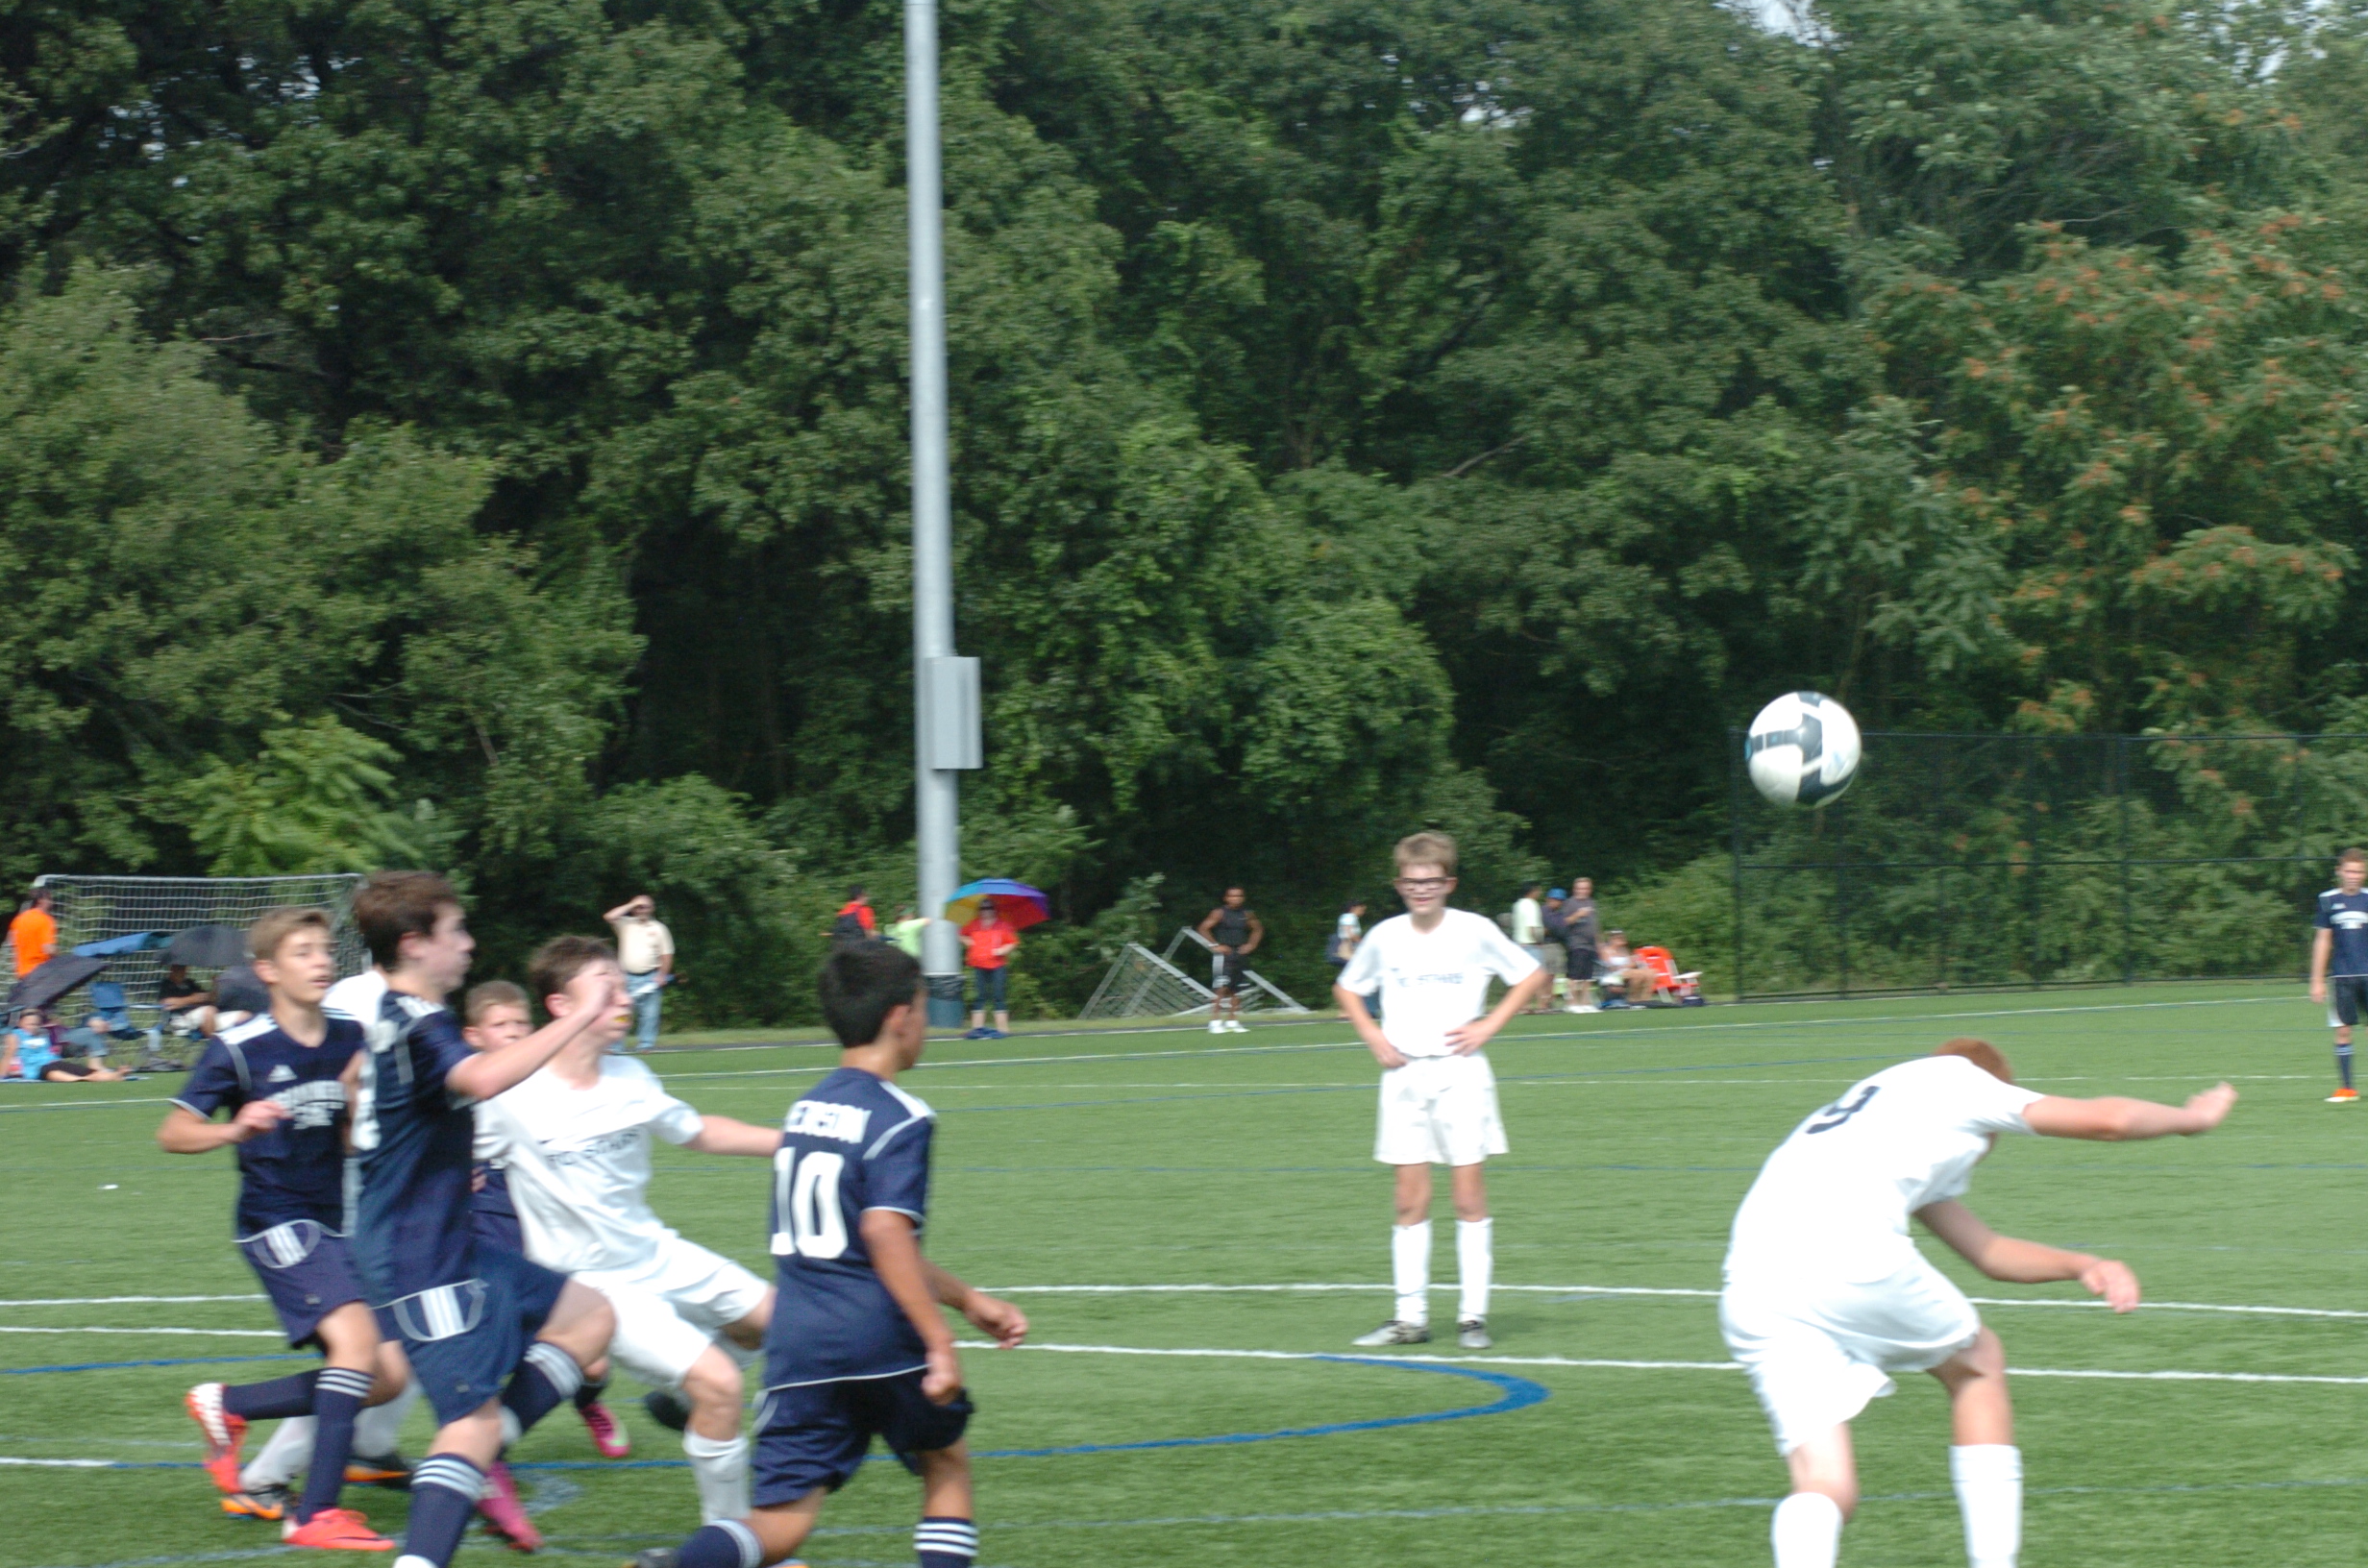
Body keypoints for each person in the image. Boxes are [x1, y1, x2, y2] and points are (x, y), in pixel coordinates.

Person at [1722, 1038, 2237, 1568]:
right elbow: (2110, 1120)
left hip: (1751, 1284)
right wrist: (2191, 1120)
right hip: (1847, 1250)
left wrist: (2081, 1265)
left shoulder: (1882, 1110)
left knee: (1828, 1484)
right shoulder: (1961, 1081)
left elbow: (1987, 1252)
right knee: (1978, 1362)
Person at [626, 942, 1029, 1568]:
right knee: (944, 1462)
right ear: (900, 1017)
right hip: (876, 1335)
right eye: (924, 1009)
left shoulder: (806, 1111)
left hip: (800, 1342)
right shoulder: (902, 1117)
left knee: (780, 1524)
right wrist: (939, 1339)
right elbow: (884, 1235)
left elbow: (861, 1241)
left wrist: (968, 1298)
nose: (926, 1025)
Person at [346, 870, 621, 1567]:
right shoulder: (418, 1021)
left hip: (445, 1239)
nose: (469, 943)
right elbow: (482, 1077)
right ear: (415, 943)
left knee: (590, 1318)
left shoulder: (401, 1014)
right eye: (457, 930)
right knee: (467, 1427)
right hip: (418, 1256)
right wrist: (578, 1015)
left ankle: (481, 1450)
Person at [475, 935, 787, 1526]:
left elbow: (700, 1132)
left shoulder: (632, 1076)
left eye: (625, 985)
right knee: (722, 1384)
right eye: (609, 987)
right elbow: (438, 1155)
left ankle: (680, 1399)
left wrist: (796, 1142)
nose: (626, 998)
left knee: (778, 1321)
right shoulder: (511, 1096)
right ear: (561, 1006)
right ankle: (734, 1543)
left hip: (655, 1251)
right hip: (592, 1287)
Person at [158, 907, 409, 1549]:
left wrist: (356, 1107)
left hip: (332, 1222)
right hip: (275, 1221)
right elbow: (174, 1133)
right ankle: (316, 1514)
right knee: (357, 1349)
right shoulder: (240, 1047)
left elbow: (351, 1138)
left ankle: (230, 1405)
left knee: (386, 1378)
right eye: (303, 952)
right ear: (267, 970)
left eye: (324, 950)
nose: (320, 961)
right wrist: (235, 1129)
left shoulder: (351, 1036)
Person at [1333, 832, 1545, 1352]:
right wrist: (1374, 1036)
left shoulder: (1474, 930)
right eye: (1411, 882)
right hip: (1404, 1075)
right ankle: (1410, 1318)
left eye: (1431, 881)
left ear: (1449, 883)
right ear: (1398, 884)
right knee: (1409, 1200)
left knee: (1468, 1199)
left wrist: (1487, 1025)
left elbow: (1532, 975)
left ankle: (1473, 1317)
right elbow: (1347, 988)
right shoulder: (1384, 935)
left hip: (1460, 1074)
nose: (1421, 889)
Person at [2311, 847, 2368, 1104]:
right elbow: (2323, 940)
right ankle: (2347, 1089)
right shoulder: (2327, 900)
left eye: (2358, 871)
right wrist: (2317, 980)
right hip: (2342, 978)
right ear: (2339, 872)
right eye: (2349, 871)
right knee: (2343, 1031)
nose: (2353, 876)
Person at [605, 894, 676, 1052]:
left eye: (645, 907)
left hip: (650, 976)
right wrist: (632, 904)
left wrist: (662, 975)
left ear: (652, 909)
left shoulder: (659, 928)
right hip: (625, 976)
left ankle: (645, 1045)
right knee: (621, 1012)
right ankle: (615, 1046)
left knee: (650, 1014)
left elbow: (666, 954)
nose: (642, 910)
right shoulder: (625, 923)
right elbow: (609, 917)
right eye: (639, 907)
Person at [1196, 887, 1265, 1035]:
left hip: (1240, 953)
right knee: (1221, 987)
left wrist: (1251, 945)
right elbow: (1203, 928)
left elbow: (1258, 929)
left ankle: (1232, 1021)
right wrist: (1215, 945)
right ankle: (1215, 1022)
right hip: (1224, 955)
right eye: (1232, 896)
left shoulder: (1246, 913)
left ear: (1243, 898)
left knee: (1237, 989)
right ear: (1226, 898)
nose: (1236, 899)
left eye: (1239, 896)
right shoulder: (1219, 912)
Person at [8, 1007, 127, 1082]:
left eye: (36, 1024)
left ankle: (113, 1075)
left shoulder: (43, 1034)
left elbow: (53, 1048)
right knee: (50, 1072)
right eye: (30, 1024)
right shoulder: (15, 1036)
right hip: (38, 1069)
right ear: (20, 1023)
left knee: (81, 1069)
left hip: (54, 1061)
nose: (34, 1027)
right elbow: (10, 1058)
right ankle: (81, 1079)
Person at [959, 898, 1018, 1041]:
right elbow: (961, 934)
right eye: (983, 909)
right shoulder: (974, 924)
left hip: (997, 965)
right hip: (979, 964)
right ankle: (977, 1029)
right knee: (980, 996)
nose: (985, 911)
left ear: (994, 910)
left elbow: (1013, 942)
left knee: (998, 996)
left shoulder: (1002, 926)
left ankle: (1003, 1029)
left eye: (989, 908)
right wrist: (967, 941)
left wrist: (1002, 950)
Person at [1511, 883, 1556, 1013]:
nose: (1539, 893)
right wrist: (1539, 941)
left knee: (1524, 978)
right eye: (1538, 890)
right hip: (1531, 945)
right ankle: (1542, 1005)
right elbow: (1532, 927)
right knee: (1539, 976)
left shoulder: (1518, 904)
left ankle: (1524, 1005)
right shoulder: (1531, 905)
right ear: (1532, 891)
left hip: (1519, 944)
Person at [1560, 877, 1599, 1014]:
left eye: (1586, 888)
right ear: (1575, 889)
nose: (1583, 891)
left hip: (1590, 945)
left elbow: (1595, 925)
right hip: (1576, 944)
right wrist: (1578, 914)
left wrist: (1598, 943)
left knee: (1587, 977)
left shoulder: (1591, 903)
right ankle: (1571, 1003)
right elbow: (1564, 922)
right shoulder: (1570, 903)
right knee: (1574, 976)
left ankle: (1585, 1003)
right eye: (1580, 888)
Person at [1595, 930, 1655, 1008]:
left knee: (1650, 973)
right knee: (1638, 974)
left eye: (1622, 938)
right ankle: (1633, 999)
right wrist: (1626, 966)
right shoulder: (1606, 951)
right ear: (1612, 940)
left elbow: (1631, 964)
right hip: (1613, 974)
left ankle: (1645, 999)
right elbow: (1610, 966)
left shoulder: (1623, 950)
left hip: (1627, 972)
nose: (1622, 940)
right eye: (1618, 938)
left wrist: (1634, 961)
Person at [9, 886, 55, 977]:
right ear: (40, 900)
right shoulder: (44, 919)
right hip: (40, 973)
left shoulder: (18, 920)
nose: (51, 902)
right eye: (49, 899)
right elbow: (49, 949)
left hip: (23, 974)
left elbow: (12, 943)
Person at [1328, 900, 1367, 988]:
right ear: (1353, 908)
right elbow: (1349, 933)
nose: (1363, 912)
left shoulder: (1350, 918)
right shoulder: (1349, 917)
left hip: (1351, 946)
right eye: (1361, 909)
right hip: (1348, 946)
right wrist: (1363, 942)